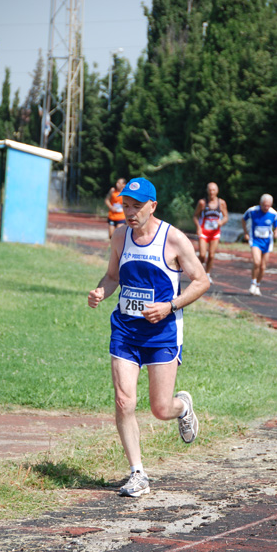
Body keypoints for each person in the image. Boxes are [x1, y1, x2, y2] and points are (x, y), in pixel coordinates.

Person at [88, 178, 210, 498]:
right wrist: (103, 289)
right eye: (126, 205)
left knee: (160, 408)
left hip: (162, 332)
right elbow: (113, 275)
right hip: (126, 330)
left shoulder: (174, 239)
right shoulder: (120, 236)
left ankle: (182, 407)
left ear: (152, 206)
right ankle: (137, 473)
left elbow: (201, 281)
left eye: (137, 206)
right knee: (124, 400)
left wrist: (169, 305)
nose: (130, 212)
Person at [242, 193, 277, 296]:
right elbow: (243, 219)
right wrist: (246, 233)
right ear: (260, 203)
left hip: (267, 242)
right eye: (264, 205)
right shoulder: (252, 211)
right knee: (256, 262)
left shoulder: (273, 213)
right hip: (255, 240)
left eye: (268, 205)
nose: (266, 207)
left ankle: (258, 285)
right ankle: (253, 283)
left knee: (263, 266)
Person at [192, 182, 228, 284]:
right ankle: (197, 271)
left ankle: (207, 274)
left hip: (215, 233)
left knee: (211, 255)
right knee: (202, 255)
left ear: (217, 191)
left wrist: (221, 222)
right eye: (210, 190)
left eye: (213, 190)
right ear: (207, 191)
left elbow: (226, 217)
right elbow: (195, 216)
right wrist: (198, 227)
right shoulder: (202, 203)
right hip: (203, 232)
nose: (212, 192)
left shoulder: (221, 203)